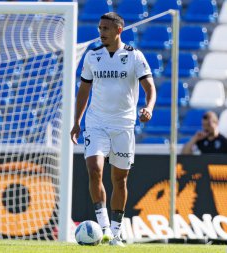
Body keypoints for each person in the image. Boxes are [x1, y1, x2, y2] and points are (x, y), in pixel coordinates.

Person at [70, 12, 156, 247]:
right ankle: (105, 228)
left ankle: (117, 233)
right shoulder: (92, 56)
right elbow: (83, 91)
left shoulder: (134, 56)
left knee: (120, 180)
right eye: (99, 28)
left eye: (106, 28)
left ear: (119, 30)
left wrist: (148, 108)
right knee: (94, 168)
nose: (101, 32)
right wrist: (77, 121)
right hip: (96, 123)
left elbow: (150, 88)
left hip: (124, 125)